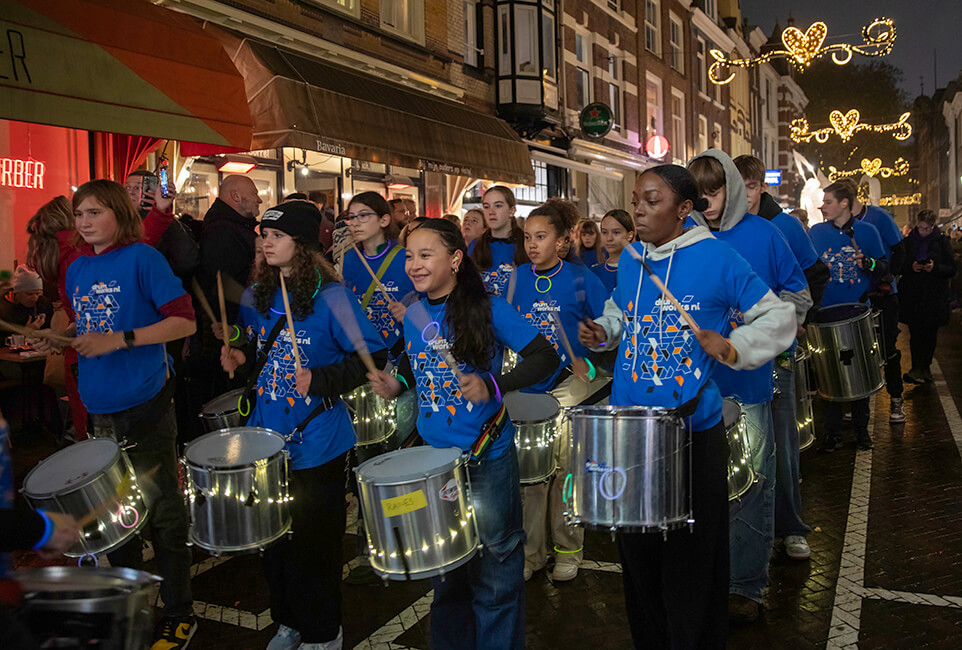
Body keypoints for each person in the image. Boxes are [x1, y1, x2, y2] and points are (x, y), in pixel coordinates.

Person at [578, 165, 795, 649]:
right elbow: (622, 311)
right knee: (637, 558)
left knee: (692, 563)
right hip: (631, 431)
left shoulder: (719, 258)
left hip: (691, 433)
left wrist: (736, 345)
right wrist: (604, 330)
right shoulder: (633, 258)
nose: (638, 208)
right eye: (635, 199)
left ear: (683, 210)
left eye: (651, 200)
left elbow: (780, 315)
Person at [368, 218, 560, 650]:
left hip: (485, 458)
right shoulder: (416, 312)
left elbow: (544, 357)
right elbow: (411, 361)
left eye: (425, 254)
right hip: (436, 467)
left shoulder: (489, 308)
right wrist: (396, 380)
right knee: (448, 577)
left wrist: (493, 385)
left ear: (455, 259)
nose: (414, 265)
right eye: (410, 257)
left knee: (495, 575)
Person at [30, 179, 197, 649]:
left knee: (164, 513)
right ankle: (134, 607)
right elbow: (85, 322)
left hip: (145, 404)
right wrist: (60, 337)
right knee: (116, 518)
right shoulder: (77, 269)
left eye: (94, 213)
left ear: (119, 215)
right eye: (80, 214)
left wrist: (120, 339)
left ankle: (180, 611)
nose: (83, 222)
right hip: (97, 408)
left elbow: (184, 320)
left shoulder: (144, 257)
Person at [220, 200, 387, 650]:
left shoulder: (333, 297)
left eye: (276, 236)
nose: (266, 243)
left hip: (318, 441)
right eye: (264, 236)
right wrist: (236, 353)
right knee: (274, 544)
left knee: (315, 546)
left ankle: (323, 631)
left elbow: (372, 358)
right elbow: (250, 340)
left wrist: (321, 379)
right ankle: (289, 620)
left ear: (304, 245)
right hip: (266, 439)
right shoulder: (259, 294)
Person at [688, 150, 811, 623]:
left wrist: (768, 328)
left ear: (734, 188)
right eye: (699, 192)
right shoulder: (687, 242)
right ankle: (712, 577)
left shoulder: (766, 234)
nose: (707, 200)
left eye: (715, 190)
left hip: (753, 380)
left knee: (752, 485)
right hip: (698, 386)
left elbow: (798, 296)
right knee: (704, 486)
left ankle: (747, 586)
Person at [734, 155, 830, 563]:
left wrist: (795, 321)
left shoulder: (784, 227)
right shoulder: (711, 232)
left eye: (751, 187)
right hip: (732, 356)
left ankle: (790, 526)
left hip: (777, 356)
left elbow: (815, 275)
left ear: (760, 187)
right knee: (740, 446)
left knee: (781, 444)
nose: (746, 196)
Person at [509, 198, 608, 583]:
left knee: (567, 472)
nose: (532, 244)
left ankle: (569, 549)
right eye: (528, 237)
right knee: (531, 478)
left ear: (563, 241)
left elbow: (607, 331)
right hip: (530, 390)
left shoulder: (583, 280)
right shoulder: (516, 278)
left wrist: (595, 350)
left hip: (571, 385)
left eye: (541, 237)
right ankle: (531, 554)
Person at [26, 190, 176, 443]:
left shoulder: (59, 257)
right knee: (134, 446)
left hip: (83, 362)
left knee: (96, 444)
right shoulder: (86, 255)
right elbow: (140, 247)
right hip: (118, 361)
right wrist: (160, 212)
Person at [809, 181, 888, 452]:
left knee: (860, 375)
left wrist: (869, 263)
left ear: (844, 203)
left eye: (828, 201)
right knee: (828, 374)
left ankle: (861, 430)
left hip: (856, 313)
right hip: (825, 315)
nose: (823, 207)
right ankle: (832, 433)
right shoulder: (816, 233)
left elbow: (884, 267)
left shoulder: (867, 232)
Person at [842, 178, 905, 421]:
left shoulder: (879, 218)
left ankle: (896, 399)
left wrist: (889, 278)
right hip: (858, 298)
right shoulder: (839, 225)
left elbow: (900, 250)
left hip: (884, 296)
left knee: (888, 349)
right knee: (858, 351)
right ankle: (858, 404)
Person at [898, 210, 956, 384]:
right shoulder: (909, 242)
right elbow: (900, 264)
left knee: (930, 334)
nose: (923, 231)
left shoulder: (941, 242)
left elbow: (951, 268)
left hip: (934, 295)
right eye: (921, 228)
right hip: (914, 295)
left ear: (932, 226)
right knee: (915, 333)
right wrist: (912, 266)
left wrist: (935, 267)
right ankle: (917, 368)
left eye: (926, 229)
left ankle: (925, 367)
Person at [198, 174, 263, 322]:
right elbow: (229, 286)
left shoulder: (233, 227)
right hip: (231, 323)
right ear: (236, 196)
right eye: (254, 194)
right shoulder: (221, 231)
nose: (259, 200)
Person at [124, 171, 200, 287]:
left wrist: (162, 212)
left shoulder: (171, 224)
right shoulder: (116, 225)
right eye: (127, 187)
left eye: (137, 187)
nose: (130, 191)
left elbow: (188, 261)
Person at [469, 186, 529, 296]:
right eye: (486, 207)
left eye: (498, 206)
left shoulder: (526, 245)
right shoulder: (475, 245)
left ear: (512, 210)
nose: (491, 212)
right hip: (482, 310)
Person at [591, 209, 635, 293]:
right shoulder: (594, 273)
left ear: (629, 235)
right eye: (604, 232)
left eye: (616, 232)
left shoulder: (638, 270)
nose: (609, 238)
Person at [0, 266, 53, 336]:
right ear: (16, 292)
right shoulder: (3, 308)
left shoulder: (44, 304)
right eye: (29, 294)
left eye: (37, 293)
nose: (34, 298)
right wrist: (24, 332)